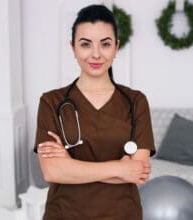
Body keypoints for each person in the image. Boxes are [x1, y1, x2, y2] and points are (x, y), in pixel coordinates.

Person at [34, 4, 155, 219]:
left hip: (122, 213)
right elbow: (52, 171)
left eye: (105, 44)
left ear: (116, 47)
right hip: (65, 213)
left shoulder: (136, 101)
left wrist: (71, 166)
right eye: (86, 44)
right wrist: (119, 168)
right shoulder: (51, 102)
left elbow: (138, 171)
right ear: (73, 48)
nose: (96, 54)